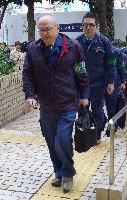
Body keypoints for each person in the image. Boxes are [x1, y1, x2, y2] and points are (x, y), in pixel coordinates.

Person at [22, 15, 89, 193]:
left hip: (67, 102)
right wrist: (30, 95)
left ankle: (67, 173)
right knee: (52, 141)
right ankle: (58, 172)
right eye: (41, 30)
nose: (44, 33)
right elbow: (27, 74)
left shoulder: (73, 46)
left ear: (57, 28)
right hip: (46, 104)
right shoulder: (33, 49)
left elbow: (81, 73)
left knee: (62, 139)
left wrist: (85, 95)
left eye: (48, 29)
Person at [76, 12, 117, 143]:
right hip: (81, 84)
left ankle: (97, 134)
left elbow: (111, 63)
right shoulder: (76, 42)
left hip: (98, 84)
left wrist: (111, 82)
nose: (88, 27)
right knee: (82, 110)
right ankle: (86, 134)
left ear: (96, 26)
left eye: (91, 25)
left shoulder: (103, 42)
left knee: (97, 110)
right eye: (85, 25)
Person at [104, 39, 127, 136]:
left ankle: (112, 126)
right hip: (103, 83)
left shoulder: (119, 54)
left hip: (115, 84)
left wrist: (124, 82)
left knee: (111, 106)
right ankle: (110, 124)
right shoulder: (100, 52)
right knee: (108, 107)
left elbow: (123, 69)